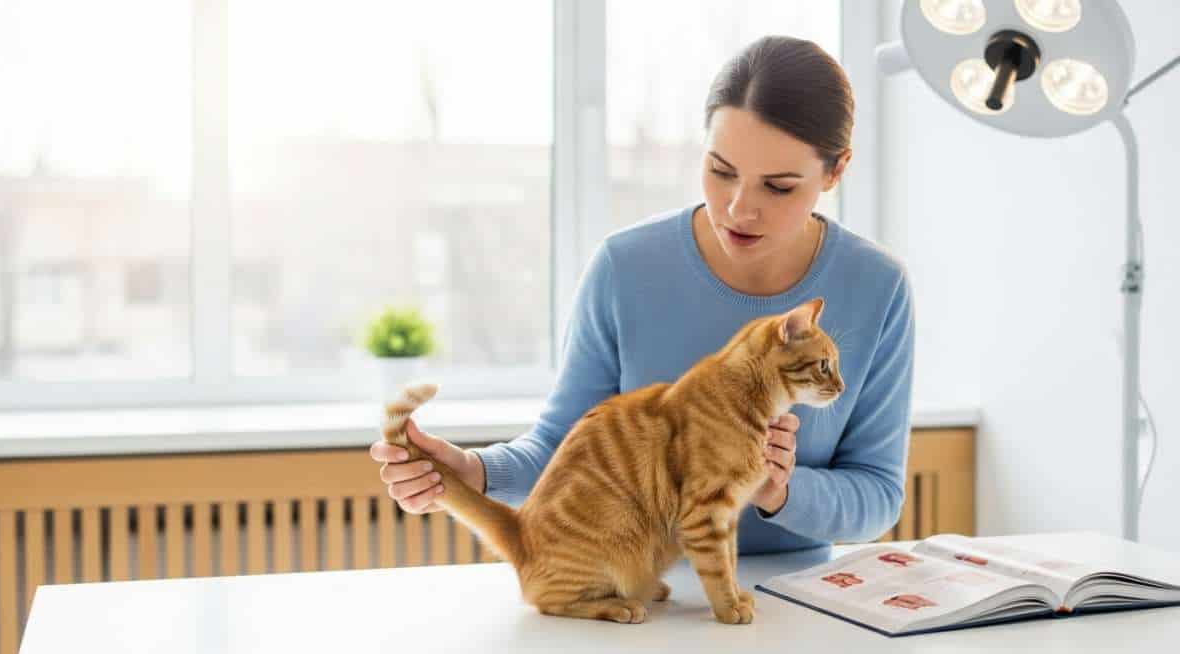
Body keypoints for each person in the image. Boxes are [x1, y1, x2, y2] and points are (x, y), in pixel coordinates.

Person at [370, 35, 915, 555]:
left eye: (778, 186)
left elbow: (877, 494)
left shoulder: (876, 287)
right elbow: (566, 446)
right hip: (637, 591)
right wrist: (476, 473)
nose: (738, 208)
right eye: (721, 171)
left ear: (836, 170)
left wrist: (780, 489)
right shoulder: (625, 268)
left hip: (796, 604)